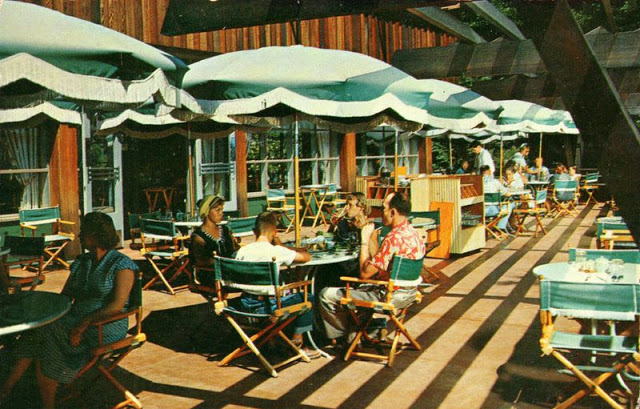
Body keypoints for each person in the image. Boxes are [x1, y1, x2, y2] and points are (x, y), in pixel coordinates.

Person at [1, 212, 138, 409]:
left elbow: (116, 305)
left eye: (84, 232)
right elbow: (65, 296)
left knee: (45, 335)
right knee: (38, 331)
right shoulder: (83, 262)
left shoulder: (121, 264)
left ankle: (18, 394)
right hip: (75, 321)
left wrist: (83, 324)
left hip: (104, 326)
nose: (79, 236)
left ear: (96, 234)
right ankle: (9, 390)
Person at [319, 192, 426, 345]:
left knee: (326, 294)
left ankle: (345, 337)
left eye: (383, 209)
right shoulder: (415, 234)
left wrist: (364, 239)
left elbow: (364, 274)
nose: (381, 213)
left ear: (393, 212)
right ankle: (362, 331)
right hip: (409, 293)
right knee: (361, 288)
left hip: (389, 296)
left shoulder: (393, 238)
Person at [234, 212, 318, 357]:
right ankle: (298, 341)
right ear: (274, 232)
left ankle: (271, 339)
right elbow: (306, 257)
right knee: (307, 297)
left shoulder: (243, 250)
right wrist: (281, 245)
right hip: (268, 307)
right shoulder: (276, 251)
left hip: (245, 303)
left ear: (255, 231)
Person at [189, 195, 238, 269]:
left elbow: (234, 250)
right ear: (207, 211)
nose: (221, 213)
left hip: (230, 269)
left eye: (222, 210)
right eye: (218, 210)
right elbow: (201, 261)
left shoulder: (224, 230)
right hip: (211, 272)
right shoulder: (198, 237)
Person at [481, 165, 514, 233]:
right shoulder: (495, 182)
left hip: (480, 210)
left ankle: (503, 227)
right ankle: (500, 227)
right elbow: (507, 194)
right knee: (510, 205)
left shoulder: (478, 182)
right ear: (489, 171)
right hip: (493, 210)